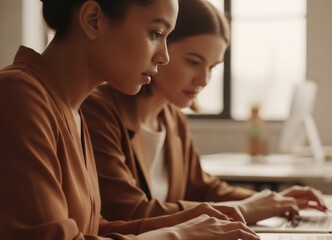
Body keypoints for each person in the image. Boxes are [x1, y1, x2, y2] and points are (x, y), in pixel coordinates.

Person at [0, 0, 260, 239]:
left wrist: (186, 222)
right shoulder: (17, 96)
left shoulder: (70, 108)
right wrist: (177, 235)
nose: (165, 57)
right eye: (156, 34)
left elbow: (92, 229)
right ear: (93, 20)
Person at [82, 0, 327, 226]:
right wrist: (244, 209)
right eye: (193, 62)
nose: (204, 79)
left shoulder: (172, 119)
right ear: (160, 43)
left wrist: (272, 201)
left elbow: (203, 188)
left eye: (212, 67)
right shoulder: (98, 110)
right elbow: (128, 211)